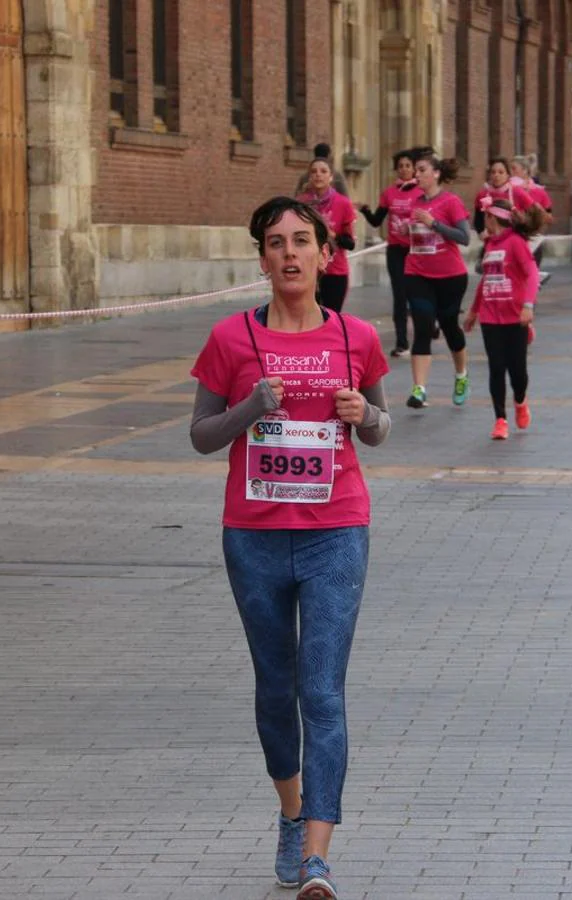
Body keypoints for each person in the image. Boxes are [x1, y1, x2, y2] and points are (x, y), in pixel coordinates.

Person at [188, 196, 391, 900]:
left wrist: (365, 414)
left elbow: (381, 427)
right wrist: (251, 409)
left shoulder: (355, 336)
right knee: (276, 690)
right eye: (276, 243)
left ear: (326, 254)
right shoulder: (230, 338)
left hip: (337, 529)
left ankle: (317, 856)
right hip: (254, 537)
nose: (290, 254)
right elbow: (203, 434)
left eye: (302, 241)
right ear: (263, 258)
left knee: (321, 691)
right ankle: (290, 809)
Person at [464, 196, 542, 440]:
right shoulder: (489, 246)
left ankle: (520, 401)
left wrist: (528, 306)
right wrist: (474, 311)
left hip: (515, 317)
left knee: (517, 371)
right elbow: (486, 280)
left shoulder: (516, 243)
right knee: (496, 368)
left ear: (492, 217)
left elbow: (532, 275)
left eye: (484, 216)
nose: (482, 221)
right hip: (490, 317)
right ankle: (500, 419)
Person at [404, 154, 472, 408]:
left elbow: (464, 237)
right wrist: (406, 232)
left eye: (421, 170)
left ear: (436, 174)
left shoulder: (451, 202)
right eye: (416, 170)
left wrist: (434, 223)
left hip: (450, 277)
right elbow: (416, 238)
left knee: (449, 326)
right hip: (417, 272)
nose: (416, 174)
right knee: (422, 326)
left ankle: (461, 375)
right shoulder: (414, 203)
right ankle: (419, 389)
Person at [359, 149, 420, 355]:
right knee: (399, 295)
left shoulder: (421, 193)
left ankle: (429, 326)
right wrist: (366, 210)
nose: (404, 169)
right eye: (400, 166)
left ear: (414, 169)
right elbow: (377, 221)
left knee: (417, 293)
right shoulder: (389, 193)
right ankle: (402, 342)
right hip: (395, 250)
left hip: (417, 250)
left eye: (407, 166)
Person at [298, 158, 358, 313]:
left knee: (331, 318)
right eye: (314, 171)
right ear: (309, 176)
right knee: (308, 318)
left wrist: (333, 235)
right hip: (308, 270)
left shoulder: (343, 203)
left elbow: (350, 243)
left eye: (323, 171)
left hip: (335, 271)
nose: (318, 175)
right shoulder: (301, 203)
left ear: (331, 177)